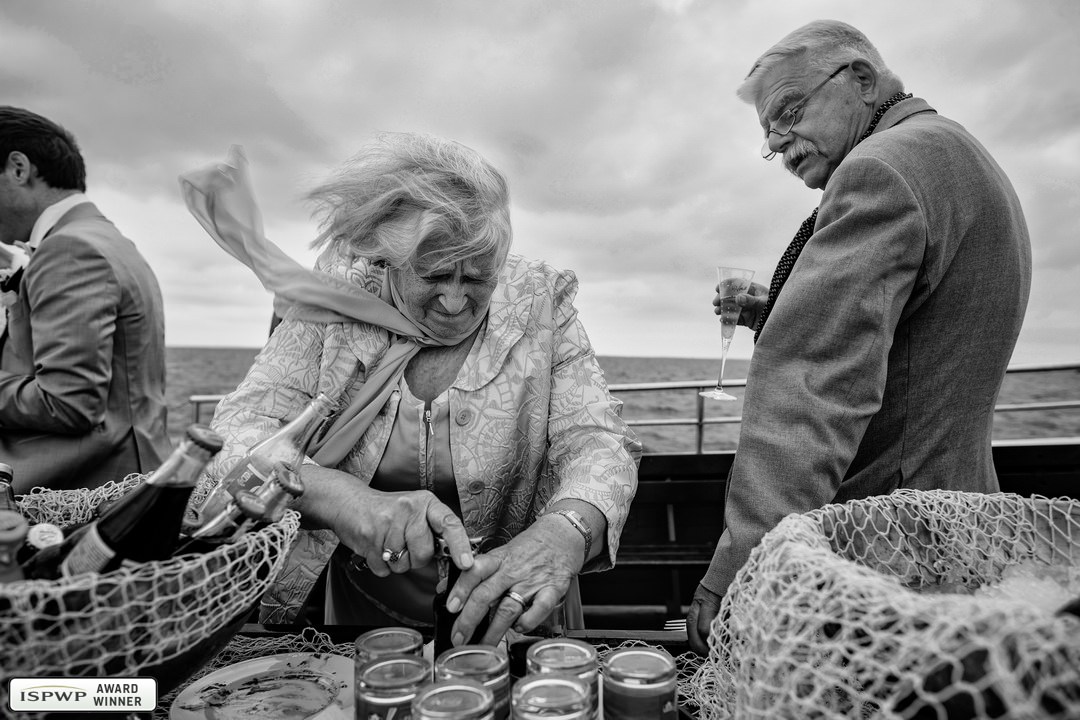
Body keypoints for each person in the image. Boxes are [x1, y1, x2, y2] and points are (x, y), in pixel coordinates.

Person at [180, 134, 641, 646]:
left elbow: (597, 441)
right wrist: (343, 500)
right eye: (435, 275)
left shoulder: (541, 300)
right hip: (360, 624)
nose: (453, 301)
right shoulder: (336, 298)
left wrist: (564, 532)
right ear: (387, 260)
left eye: (477, 279)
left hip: (513, 619)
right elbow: (234, 439)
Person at [687, 20, 1031, 654]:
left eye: (789, 113)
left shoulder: (879, 171)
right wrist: (777, 311)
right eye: (769, 135)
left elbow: (811, 388)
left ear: (862, 80)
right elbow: (923, 336)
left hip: (890, 548)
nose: (781, 143)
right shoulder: (952, 150)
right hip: (964, 521)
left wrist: (739, 573)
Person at [0, 106, 172, 493]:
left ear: (18, 168)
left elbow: (67, 403)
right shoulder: (102, 239)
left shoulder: (70, 249)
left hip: (86, 489)